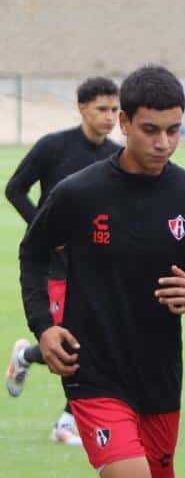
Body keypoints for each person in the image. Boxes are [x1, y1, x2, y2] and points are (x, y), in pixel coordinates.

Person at [18, 65, 185, 478]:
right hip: (94, 369)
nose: (164, 142)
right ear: (125, 123)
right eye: (151, 129)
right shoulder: (79, 192)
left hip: (159, 374)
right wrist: (43, 327)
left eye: (175, 130)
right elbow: (33, 253)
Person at [6, 77, 121, 446]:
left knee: (99, 342)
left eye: (115, 110)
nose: (109, 117)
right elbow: (14, 189)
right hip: (57, 265)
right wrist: (44, 231)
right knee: (70, 344)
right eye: (101, 109)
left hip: (99, 265)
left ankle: (66, 422)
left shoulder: (116, 156)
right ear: (82, 108)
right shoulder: (53, 147)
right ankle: (26, 356)